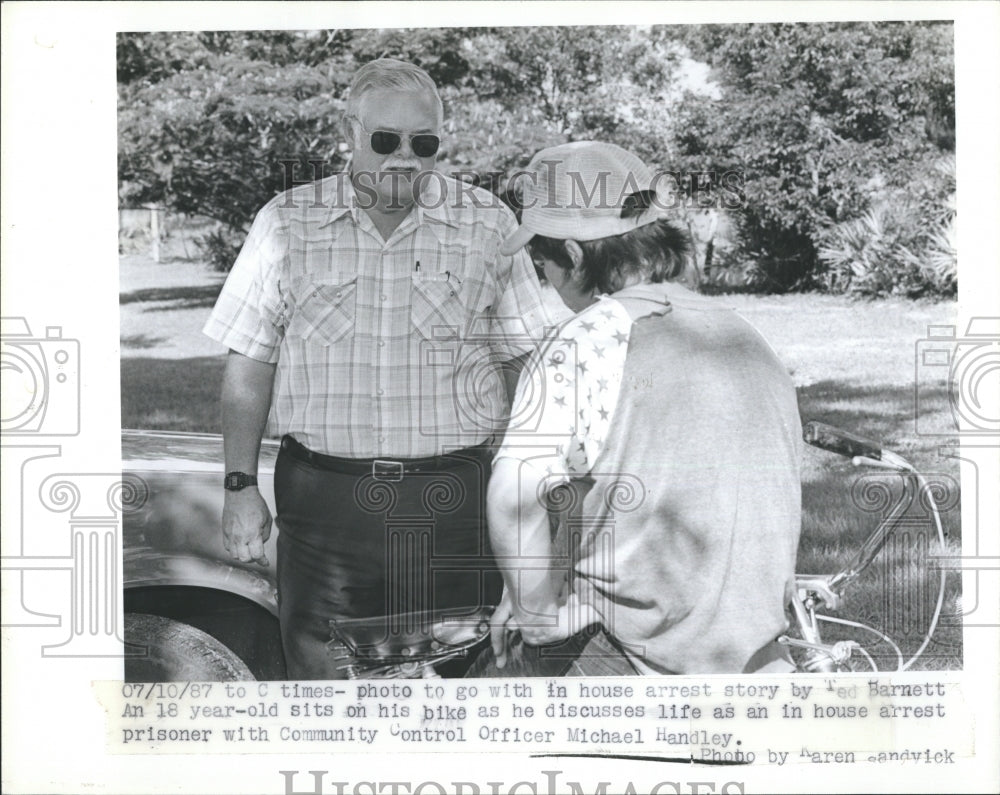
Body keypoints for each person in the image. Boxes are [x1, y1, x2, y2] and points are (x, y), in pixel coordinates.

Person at [202, 58, 551, 679]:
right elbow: (250, 357)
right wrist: (239, 486)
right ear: (351, 130)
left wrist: (536, 479)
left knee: (460, 682)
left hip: (456, 502)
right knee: (326, 681)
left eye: (425, 144)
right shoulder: (285, 221)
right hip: (324, 504)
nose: (406, 159)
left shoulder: (489, 223)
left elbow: (529, 360)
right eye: (386, 141)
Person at [470, 141, 803, 676]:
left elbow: (514, 497)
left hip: (638, 661)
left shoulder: (581, 342)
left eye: (540, 262)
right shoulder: (745, 338)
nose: (544, 280)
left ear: (574, 256)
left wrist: (535, 610)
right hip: (757, 658)